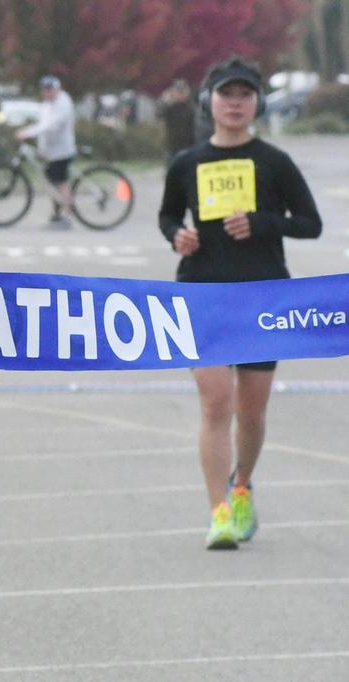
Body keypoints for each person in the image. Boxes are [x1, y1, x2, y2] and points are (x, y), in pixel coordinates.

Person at [158, 57, 321, 550]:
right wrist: (177, 236)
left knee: (251, 411)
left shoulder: (274, 162)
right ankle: (219, 512)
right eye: (226, 94)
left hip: (263, 296)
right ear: (209, 100)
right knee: (216, 403)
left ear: (257, 102)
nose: (235, 103)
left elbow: (310, 224)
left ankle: (242, 483)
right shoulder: (186, 163)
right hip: (202, 293)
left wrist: (262, 221)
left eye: (244, 94)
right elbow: (167, 216)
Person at [17, 75, 76, 228]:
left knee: (61, 183)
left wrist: (29, 132)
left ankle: (67, 216)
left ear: (57, 89)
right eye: (45, 90)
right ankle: (57, 215)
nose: (47, 93)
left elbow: (50, 125)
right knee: (53, 183)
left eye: (50, 89)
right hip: (51, 151)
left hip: (61, 151)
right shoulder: (47, 105)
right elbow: (42, 122)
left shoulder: (63, 103)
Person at [159, 79, 196, 161]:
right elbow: (159, 114)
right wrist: (165, 100)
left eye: (182, 91)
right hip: (172, 147)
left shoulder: (190, 108)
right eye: (178, 91)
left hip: (188, 145)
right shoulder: (169, 108)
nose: (180, 94)